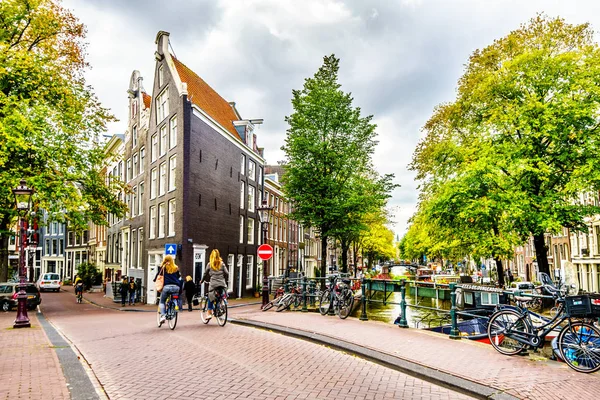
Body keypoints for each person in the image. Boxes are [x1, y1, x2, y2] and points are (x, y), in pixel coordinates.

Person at [154, 255, 182, 325]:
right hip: (176, 287)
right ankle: (175, 306)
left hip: (167, 287)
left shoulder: (163, 268)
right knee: (174, 298)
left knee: (162, 301)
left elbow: (158, 275)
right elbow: (178, 276)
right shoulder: (176, 268)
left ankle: (163, 316)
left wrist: (155, 280)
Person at [201, 249, 229, 317]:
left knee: (210, 297)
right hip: (222, 283)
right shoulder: (222, 264)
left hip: (213, 284)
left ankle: (209, 313)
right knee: (221, 294)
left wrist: (202, 281)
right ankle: (222, 303)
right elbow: (227, 273)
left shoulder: (209, 264)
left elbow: (205, 274)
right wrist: (224, 279)